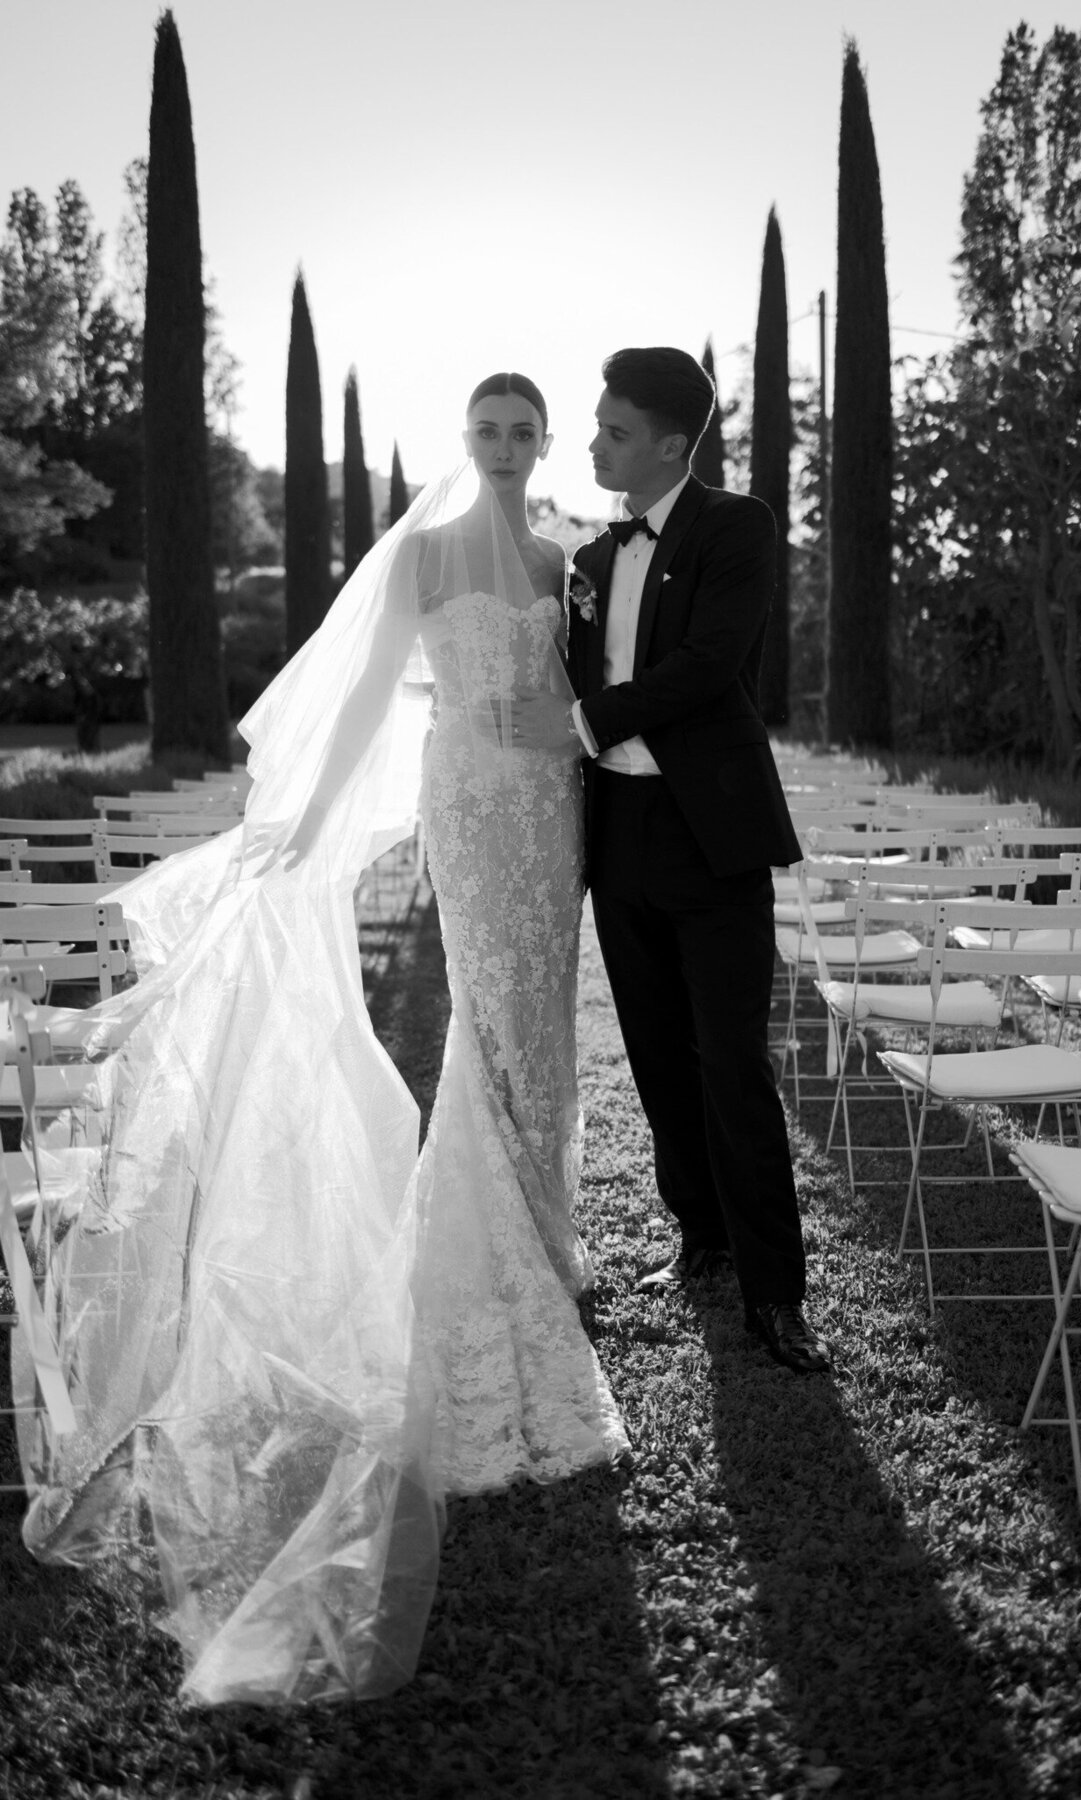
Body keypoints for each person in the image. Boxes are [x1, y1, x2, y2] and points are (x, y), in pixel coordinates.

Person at [14, 373, 627, 1708]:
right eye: (492, 431)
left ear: (548, 444)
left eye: (528, 433)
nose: (512, 450)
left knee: (543, 1027)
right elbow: (362, 697)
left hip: (551, 805)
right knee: (487, 1021)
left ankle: (548, 1234)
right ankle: (503, 1256)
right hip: (467, 800)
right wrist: (307, 821)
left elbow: (584, 691)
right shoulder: (422, 550)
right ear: (466, 440)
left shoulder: (557, 553)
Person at [511, 346, 829, 1377]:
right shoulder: (593, 563)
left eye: (611, 430)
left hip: (714, 835)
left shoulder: (736, 526)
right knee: (654, 1055)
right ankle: (702, 1237)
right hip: (620, 836)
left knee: (730, 1063)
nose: (595, 442)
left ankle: (777, 1295)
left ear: (667, 443)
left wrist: (580, 721)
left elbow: (709, 666)